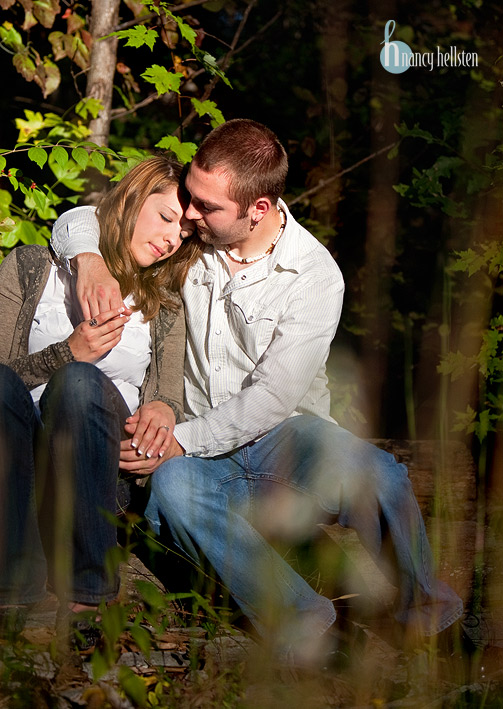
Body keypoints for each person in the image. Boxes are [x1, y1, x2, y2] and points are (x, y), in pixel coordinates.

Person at [50, 119, 463, 666]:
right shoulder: (188, 246)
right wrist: (91, 261)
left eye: (207, 206)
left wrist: (179, 439)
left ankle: (427, 620)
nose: (190, 215)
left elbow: (271, 399)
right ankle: (307, 625)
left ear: (258, 210)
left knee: (383, 475)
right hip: (198, 453)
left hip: (283, 435)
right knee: (173, 489)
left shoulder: (315, 276)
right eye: (190, 199)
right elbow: (85, 219)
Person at [0, 156, 201, 647]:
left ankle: (91, 588)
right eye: (165, 218)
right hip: (18, 460)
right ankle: (12, 584)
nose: (173, 238)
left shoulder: (165, 303)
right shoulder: (31, 267)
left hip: (97, 473)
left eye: (183, 233)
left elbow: (167, 394)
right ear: (131, 202)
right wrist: (65, 353)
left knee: (80, 383)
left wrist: (165, 410)